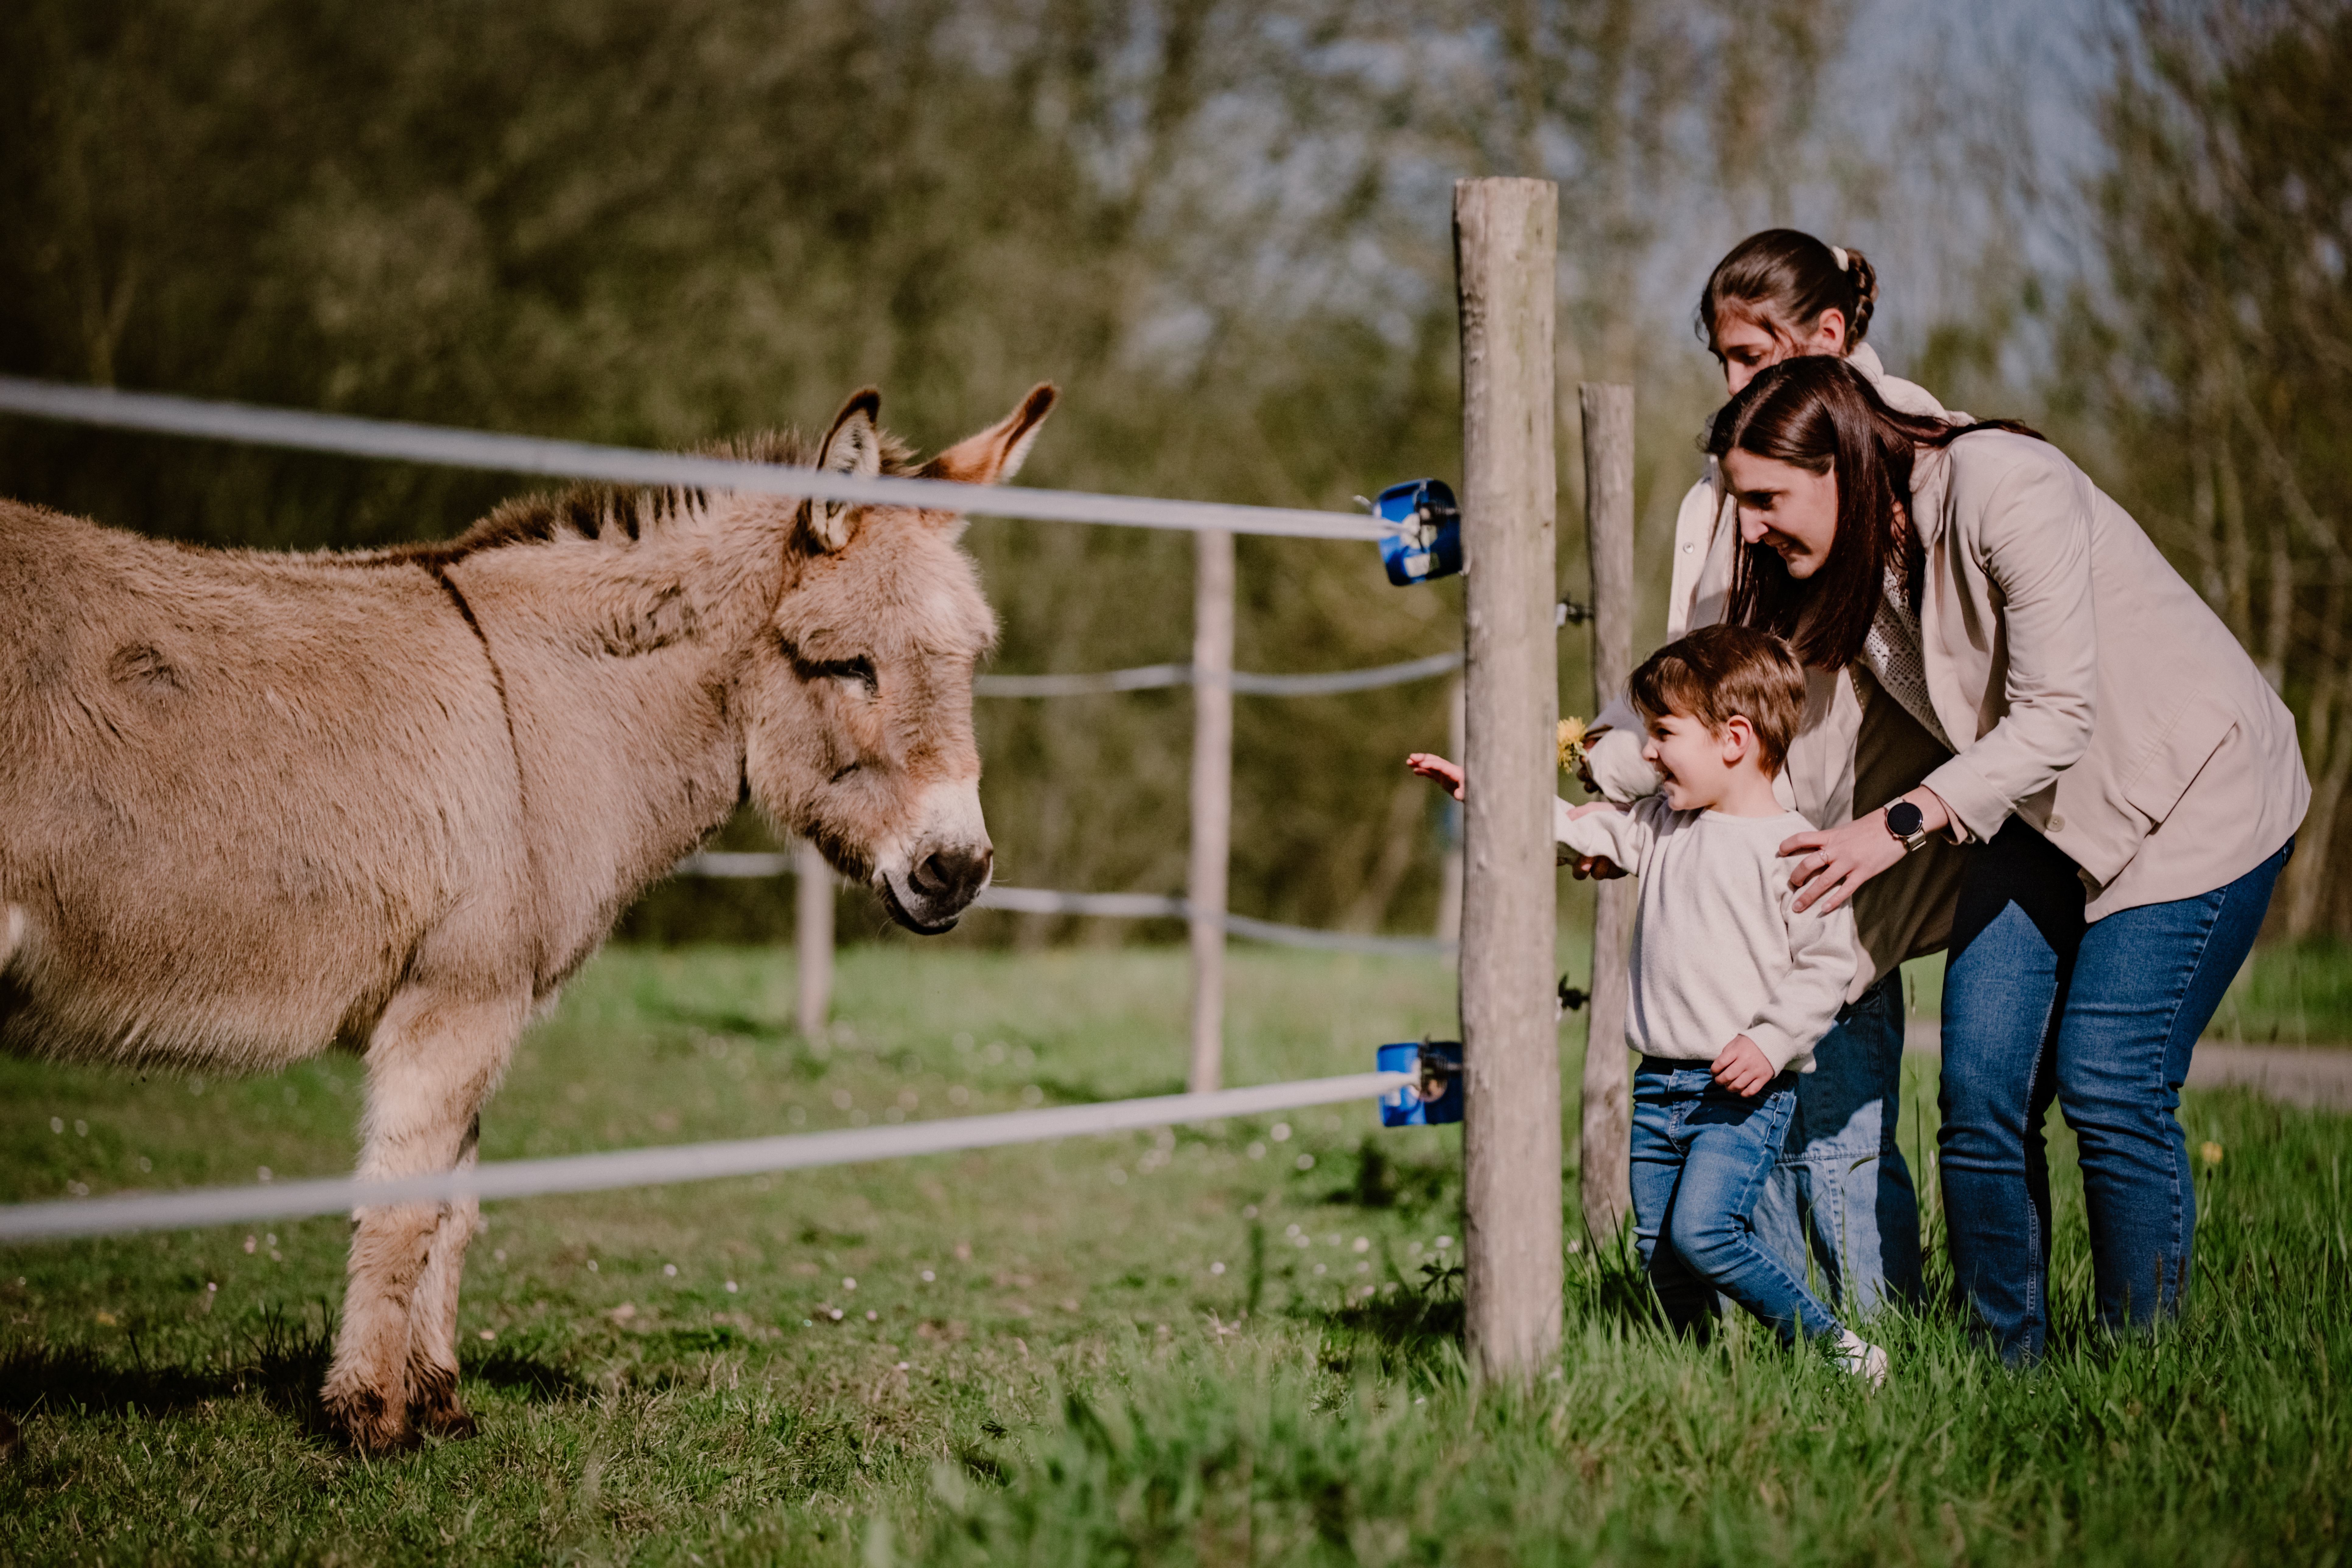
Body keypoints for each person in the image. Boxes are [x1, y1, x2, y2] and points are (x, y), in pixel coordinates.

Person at [1709, 355, 2307, 1363]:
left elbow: (2055, 715)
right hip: (2033, 816)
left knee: (2110, 1079)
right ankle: (2006, 1363)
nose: (1752, 526)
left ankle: (2135, 1371)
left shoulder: (2002, 487)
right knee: (1980, 1089)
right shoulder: (1856, 560)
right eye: (1741, 504)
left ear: (1844, 466)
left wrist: (1889, 830)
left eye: (1766, 499)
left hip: (2191, 793)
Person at [1579, 229, 1964, 1318]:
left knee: (1836, 1134)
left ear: (1830, 338)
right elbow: (1690, 672)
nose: (1733, 384)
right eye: (1722, 362)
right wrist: (1624, 774)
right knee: (1756, 1153)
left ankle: (1878, 1349)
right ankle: (1802, 1352)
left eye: (1753, 356)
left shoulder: (1902, 466)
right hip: (1732, 863)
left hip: (1833, 857)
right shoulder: (1721, 498)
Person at [1410, 625, 1886, 1380]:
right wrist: (1485, 792)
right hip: (1661, 1083)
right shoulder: (1661, 825)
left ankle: (1836, 1346)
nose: (1651, 752)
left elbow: (1827, 965)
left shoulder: (1795, 848)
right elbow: (1572, 827)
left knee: (1705, 1233)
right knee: (1661, 1250)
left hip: (1741, 1088)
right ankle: (1696, 1377)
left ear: (1734, 739)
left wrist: (1769, 1042)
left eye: (1663, 733)